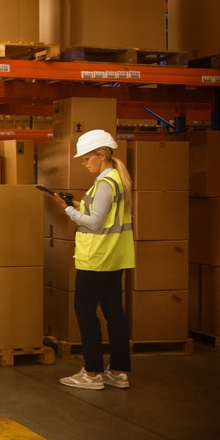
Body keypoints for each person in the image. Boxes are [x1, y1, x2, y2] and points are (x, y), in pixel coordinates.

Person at [52, 129, 134, 390]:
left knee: (85, 312)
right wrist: (74, 202)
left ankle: (91, 374)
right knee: (114, 313)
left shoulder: (105, 183)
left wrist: (66, 210)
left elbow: (95, 223)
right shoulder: (116, 180)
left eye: (86, 158)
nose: (83, 162)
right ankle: (118, 371)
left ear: (102, 155)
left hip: (96, 258)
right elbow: (101, 212)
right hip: (113, 257)